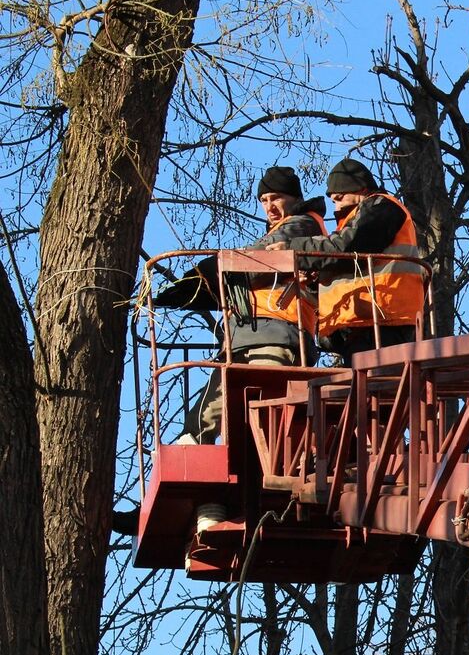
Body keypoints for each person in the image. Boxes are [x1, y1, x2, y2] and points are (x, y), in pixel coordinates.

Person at [155, 165, 328, 444]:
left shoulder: (302, 225)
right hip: (250, 332)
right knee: (217, 395)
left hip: (279, 331)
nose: (269, 206)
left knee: (265, 410)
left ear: (294, 198)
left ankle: (261, 456)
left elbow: (253, 261)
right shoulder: (285, 227)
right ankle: (192, 440)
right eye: (264, 201)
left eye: (276, 198)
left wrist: (210, 272)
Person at [266, 158, 426, 366]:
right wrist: (316, 278)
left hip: (383, 319)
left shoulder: (382, 207)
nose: (336, 206)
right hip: (365, 322)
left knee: (378, 389)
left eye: (340, 198)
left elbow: (349, 248)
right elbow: (350, 264)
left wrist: (295, 250)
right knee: (370, 392)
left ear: (360, 189)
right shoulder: (358, 218)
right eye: (333, 201)